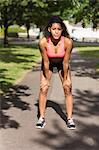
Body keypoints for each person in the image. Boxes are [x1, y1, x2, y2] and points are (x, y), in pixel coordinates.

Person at [36, 16, 76, 129]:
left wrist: (66, 78)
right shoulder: (43, 42)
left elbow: (66, 62)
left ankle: (69, 119)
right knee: (43, 88)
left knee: (68, 87)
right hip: (48, 63)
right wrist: (45, 78)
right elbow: (46, 62)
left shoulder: (68, 42)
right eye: (54, 29)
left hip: (62, 63)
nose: (56, 32)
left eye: (59, 29)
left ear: (62, 30)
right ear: (49, 29)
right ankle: (41, 118)